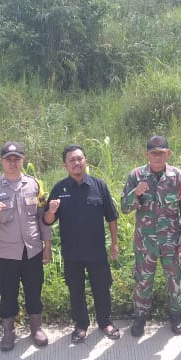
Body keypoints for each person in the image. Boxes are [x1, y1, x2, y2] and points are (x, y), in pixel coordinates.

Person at [0, 142, 52, 351]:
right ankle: (8, 331)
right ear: (1, 161)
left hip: (32, 251)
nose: (12, 163)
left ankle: (36, 327)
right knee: (8, 293)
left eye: (16, 159)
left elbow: (42, 217)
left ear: (23, 160)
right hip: (7, 254)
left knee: (34, 291)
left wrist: (47, 244)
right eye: (8, 159)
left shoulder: (34, 184)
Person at [43, 144, 121, 343]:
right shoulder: (59, 189)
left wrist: (114, 243)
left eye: (80, 159)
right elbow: (47, 221)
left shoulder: (99, 185)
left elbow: (112, 217)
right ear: (65, 165)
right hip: (72, 252)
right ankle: (81, 325)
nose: (76, 163)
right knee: (75, 290)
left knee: (102, 287)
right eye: (72, 160)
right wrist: (51, 210)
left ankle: (105, 322)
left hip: (97, 251)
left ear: (86, 160)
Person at [121, 135, 181, 337]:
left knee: (175, 280)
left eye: (161, 153)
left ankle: (176, 315)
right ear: (147, 154)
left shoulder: (177, 176)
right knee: (143, 281)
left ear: (168, 154)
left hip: (171, 242)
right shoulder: (136, 175)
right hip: (145, 243)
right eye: (153, 153)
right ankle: (140, 317)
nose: (157, 157)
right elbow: (124, 208)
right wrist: (135, 193)